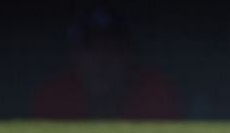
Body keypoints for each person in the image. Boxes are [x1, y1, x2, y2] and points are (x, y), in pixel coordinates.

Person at [31, 8, 182, 121]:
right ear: (75, 56)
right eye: (92, 49)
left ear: (129, 55)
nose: (102, 60)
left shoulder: (155, 94)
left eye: (112, 49)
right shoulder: (55, 97)